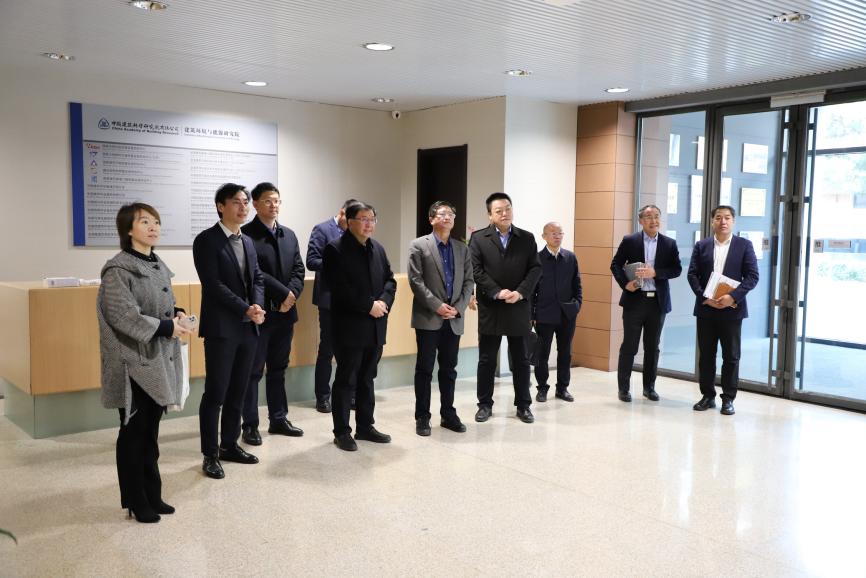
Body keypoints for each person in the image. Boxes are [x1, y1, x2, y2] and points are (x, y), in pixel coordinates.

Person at [97, 202, 192, 523]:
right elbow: (123, 316)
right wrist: (166, 327)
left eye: (156, 222)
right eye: (144, 222)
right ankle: (136, 500)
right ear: (128, 229)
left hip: (155, 359)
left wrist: (176, 313)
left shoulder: (156, 264)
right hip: (132, 364)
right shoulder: (117, 270)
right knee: (134, 434)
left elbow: (160, 304)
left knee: (150, 432)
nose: (153, 227)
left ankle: (153, 493)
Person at [193, 183, 266, 479]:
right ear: (220, 206)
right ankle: (210, 454)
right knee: (216, 392)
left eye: (245, 202)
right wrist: (245, 308)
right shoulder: (206, 240)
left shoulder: (247, 241)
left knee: (239, 390)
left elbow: (257, 277)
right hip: (222, 329)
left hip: (248, 328)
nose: (243, 207)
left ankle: (229, 445)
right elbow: (213, 284)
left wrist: (257, 305)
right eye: (236, 201)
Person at [323, 202, 396, 451]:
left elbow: (390, 281)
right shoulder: (335, 249)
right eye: (363, 219)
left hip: (375, 325)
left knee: (367, 378)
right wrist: (368, 305)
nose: (369, 224)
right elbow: (339, 289)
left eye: (372, 219)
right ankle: (342, 431)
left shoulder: (378, 248)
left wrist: (383, 302)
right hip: (349, 326)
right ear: (349, 221)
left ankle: (365, 426)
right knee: (346, 379)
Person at [239, 182, 306, 446]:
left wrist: (292, 295)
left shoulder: (288, 234)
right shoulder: (246, 235)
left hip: (286, 314)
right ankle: (250, 425)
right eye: (267, 200)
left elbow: (299, 269)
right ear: (255, 204)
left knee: (278, 369)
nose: (273, 205)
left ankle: (278, 419)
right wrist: (282, 294)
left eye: (276, 200)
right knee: (253, 371)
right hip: (260, 313)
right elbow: (254, 272)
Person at [469, 192, 542, 424]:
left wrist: (520, 292)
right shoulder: (478, 238)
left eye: (508, 208)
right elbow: (476, 270)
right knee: (487, 359)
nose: (504, 213)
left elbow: (535, 268)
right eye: (498, 210)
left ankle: (523, 405)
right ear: (489, 215)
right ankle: (484, 405)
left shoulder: (526, 238)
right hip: (491, 306)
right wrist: (497, 292)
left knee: (521, 359)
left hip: (518, 306)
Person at [407, 201, 475, 436]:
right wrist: (437, 306)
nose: (448, 217)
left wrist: (458, 307)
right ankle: (422, 417)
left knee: (449, 369)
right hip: (428, 317)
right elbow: (415, 281)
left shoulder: (462, 248)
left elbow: (469, 281)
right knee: (425, 369)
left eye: (451, 214)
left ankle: (448, 414)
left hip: (453, 318)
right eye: (443, 213)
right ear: (431, 219)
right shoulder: (418, 245)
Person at [688, 205, 759, 415]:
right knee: (706, 356)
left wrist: (732, 297)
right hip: (706, 309)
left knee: (731, 356)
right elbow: (692, 274)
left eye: (727, 217)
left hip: (732, 310)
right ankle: (707, 396)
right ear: (712, 222)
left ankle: (728, 398)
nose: (723, 221)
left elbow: (752, 276)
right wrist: (705, 298)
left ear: (733, 221)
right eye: (718, 217)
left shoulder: (744, 245)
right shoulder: (701, 245)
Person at [610, 205, 682, 402]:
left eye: (657, 216)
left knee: (652, 347)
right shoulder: (630, 241)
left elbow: (676, 269)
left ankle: (649, 388)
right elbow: (615, 264)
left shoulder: (669, 243)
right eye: (649, 217)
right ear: (641, 221)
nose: (653, 221)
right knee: (629, 346)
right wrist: (625, 284)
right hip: (635, 301)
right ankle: (624, 389)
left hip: (657, 303)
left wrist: (656, 272)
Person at [306, 199, 357, 413]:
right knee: (327, 349)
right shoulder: (322, 229)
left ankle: (350, 395)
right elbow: (312, 261)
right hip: (329, 299)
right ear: (342, 212)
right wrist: (337, 262)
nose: (354, 223)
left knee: (352, 349)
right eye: (351, 218)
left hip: (353, 300)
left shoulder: (356, 231)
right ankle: (323, 396)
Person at [532, 221, 582, 403]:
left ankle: (562, 388)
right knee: (542, 354)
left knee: (565, 352)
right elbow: (531, 291)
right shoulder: (537, 259)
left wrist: (577, 305)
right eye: (552, 233)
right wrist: (532, 315)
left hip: (567, 314)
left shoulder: (570, 257)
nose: (557, 236)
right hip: (544, 314)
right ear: (544, 236)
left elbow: (577, 285)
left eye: (560, 232)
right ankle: (542, 388)